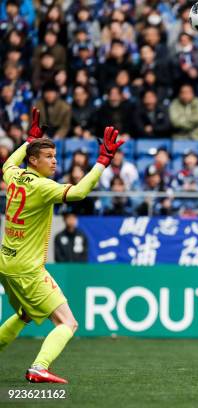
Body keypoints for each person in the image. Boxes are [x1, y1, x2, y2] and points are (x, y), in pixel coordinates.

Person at [0, 108, 123, 383]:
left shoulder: (13, 177)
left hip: (5, 263)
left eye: (55, 156)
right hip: (27, 269)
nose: (54, 162)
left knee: (25, 314)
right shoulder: (42, 187)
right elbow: (79, 192)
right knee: (68, 322)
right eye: (48, 156)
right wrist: (103, 161)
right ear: (33, 161)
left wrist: (30, 139)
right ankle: (39, 367)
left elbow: (8, 164)